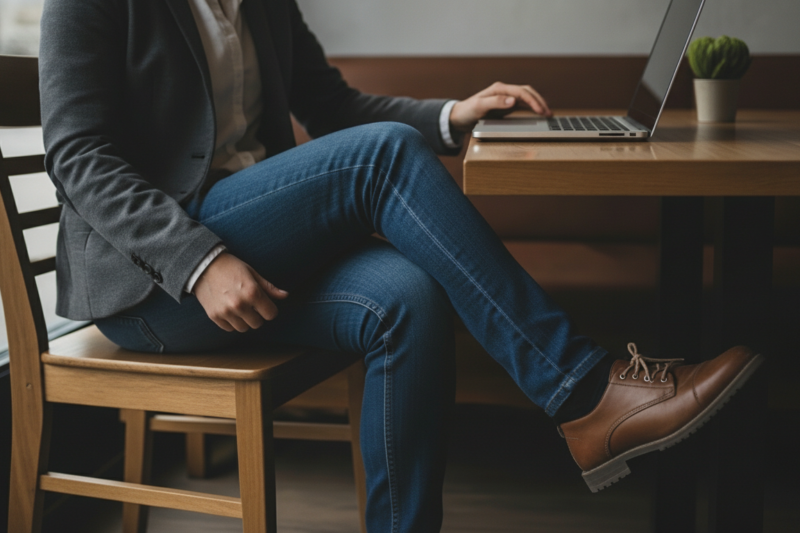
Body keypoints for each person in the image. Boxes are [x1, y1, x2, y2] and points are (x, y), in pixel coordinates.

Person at [39, 0, 762, 531]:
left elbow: (330, 103)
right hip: (155, 284)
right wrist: (198, 261)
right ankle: (582, 391)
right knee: (382, 155)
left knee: (410, 295)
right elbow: (78, 156)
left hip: (247, 243)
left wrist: (452, 113)